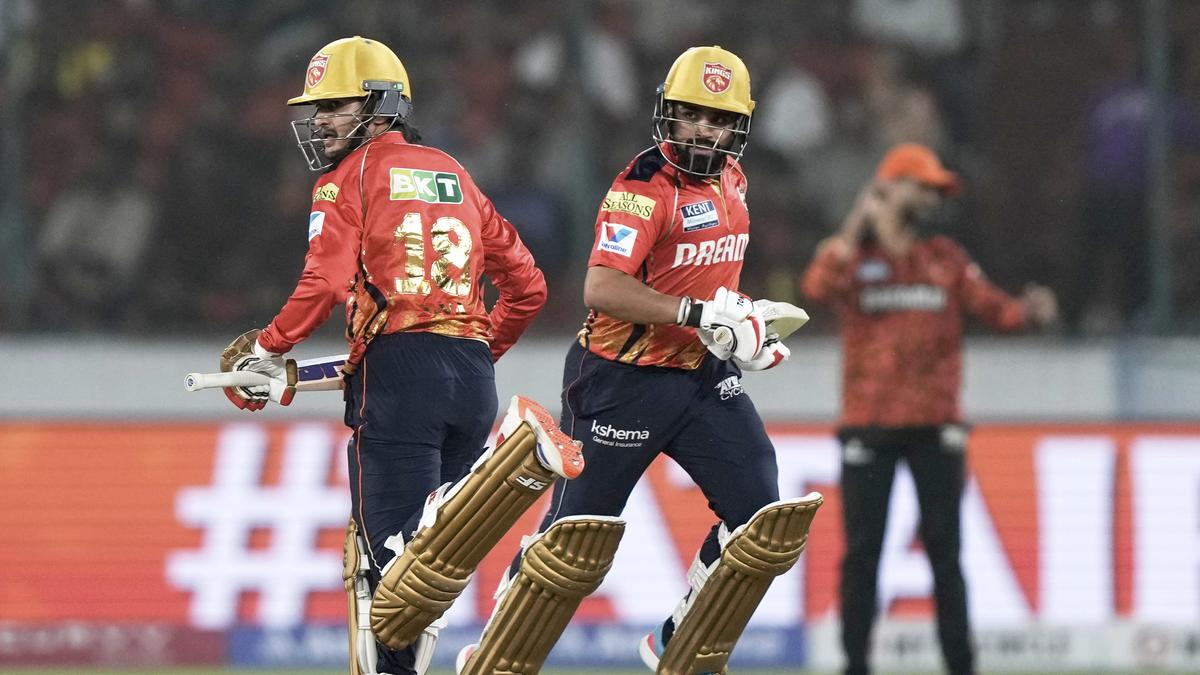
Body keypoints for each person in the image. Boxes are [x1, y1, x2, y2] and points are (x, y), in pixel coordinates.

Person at [214, 36, 584, 675]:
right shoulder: (453, 172)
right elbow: (529, 288)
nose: (320, 121)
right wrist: (476, 352)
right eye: (317, 108)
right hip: (471, 380)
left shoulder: (345, 178)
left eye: (335, 106)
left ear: (380, 106)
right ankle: (471, 498)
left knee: (382, 573)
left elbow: (324, 284)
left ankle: (468, 494)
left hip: (396, 375)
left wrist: (269, 347)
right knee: (425, 584)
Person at [454, 46, 822, 675]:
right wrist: (701, 316)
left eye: (717, 119)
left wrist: (743, 329)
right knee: (572, 543)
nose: (702, 130)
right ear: (667, 115)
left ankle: (678, 644)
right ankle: (492, 653)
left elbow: (705, 279)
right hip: (620, 380)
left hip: (701, 377)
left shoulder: (734, 179)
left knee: (760, 516)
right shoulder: (643, 188)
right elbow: (601, 287)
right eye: (690, 115)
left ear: (739, 126)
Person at [800, 142, 1059, 675]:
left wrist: (1031, 312)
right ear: (889, 188)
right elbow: (817, 287)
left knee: (945, 554)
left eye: (937, 191)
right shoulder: (855, 259)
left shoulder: (946, 258)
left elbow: (999, 312)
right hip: (869, 426)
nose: (934, 199)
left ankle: (960, 665)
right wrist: (858, 221)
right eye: (923, 187)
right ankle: (855, 665)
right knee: (862, 556)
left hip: (936, 426)